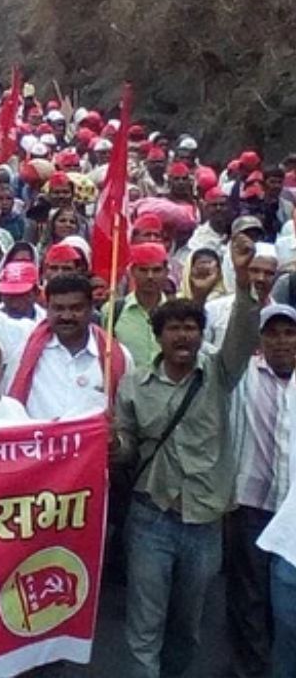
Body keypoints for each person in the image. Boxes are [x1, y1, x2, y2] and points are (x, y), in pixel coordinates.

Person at [112, 234, 260, 678]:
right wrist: (113, 446)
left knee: (187, 626)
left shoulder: (219, 372)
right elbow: (127, 448)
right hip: (150, 519)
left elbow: (242, 332)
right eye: (174, 329)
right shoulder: (134, 385)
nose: (183, 336)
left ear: (200, 335)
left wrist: (243, 282)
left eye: (191, 328)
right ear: (158, 337)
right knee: (144, 627)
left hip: (204, 523)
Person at [0, 223, 129, 419]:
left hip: (91, 457)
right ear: (47, 307)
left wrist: (118, 443)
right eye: (58, 308)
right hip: (32, 456)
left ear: (90, 309)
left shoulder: (114, 356)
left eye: (75, 308)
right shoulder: (23, 337)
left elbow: (128, 420)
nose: (66, 316)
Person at [222, 303, 296, 677]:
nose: (281, 342)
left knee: (283, 603)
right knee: (248, 597)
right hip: (251, 506)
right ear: (259, 339)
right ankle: (250, 668)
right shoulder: (243, 376)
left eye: (289, 333)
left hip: (292, 515)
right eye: (272, 333)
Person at [106, 243, 170, 369]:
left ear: (166, 272)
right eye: (143, 270)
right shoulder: (113, 310)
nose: (150, 276)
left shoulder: (176, 311)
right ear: (132, 271)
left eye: (156, 270)